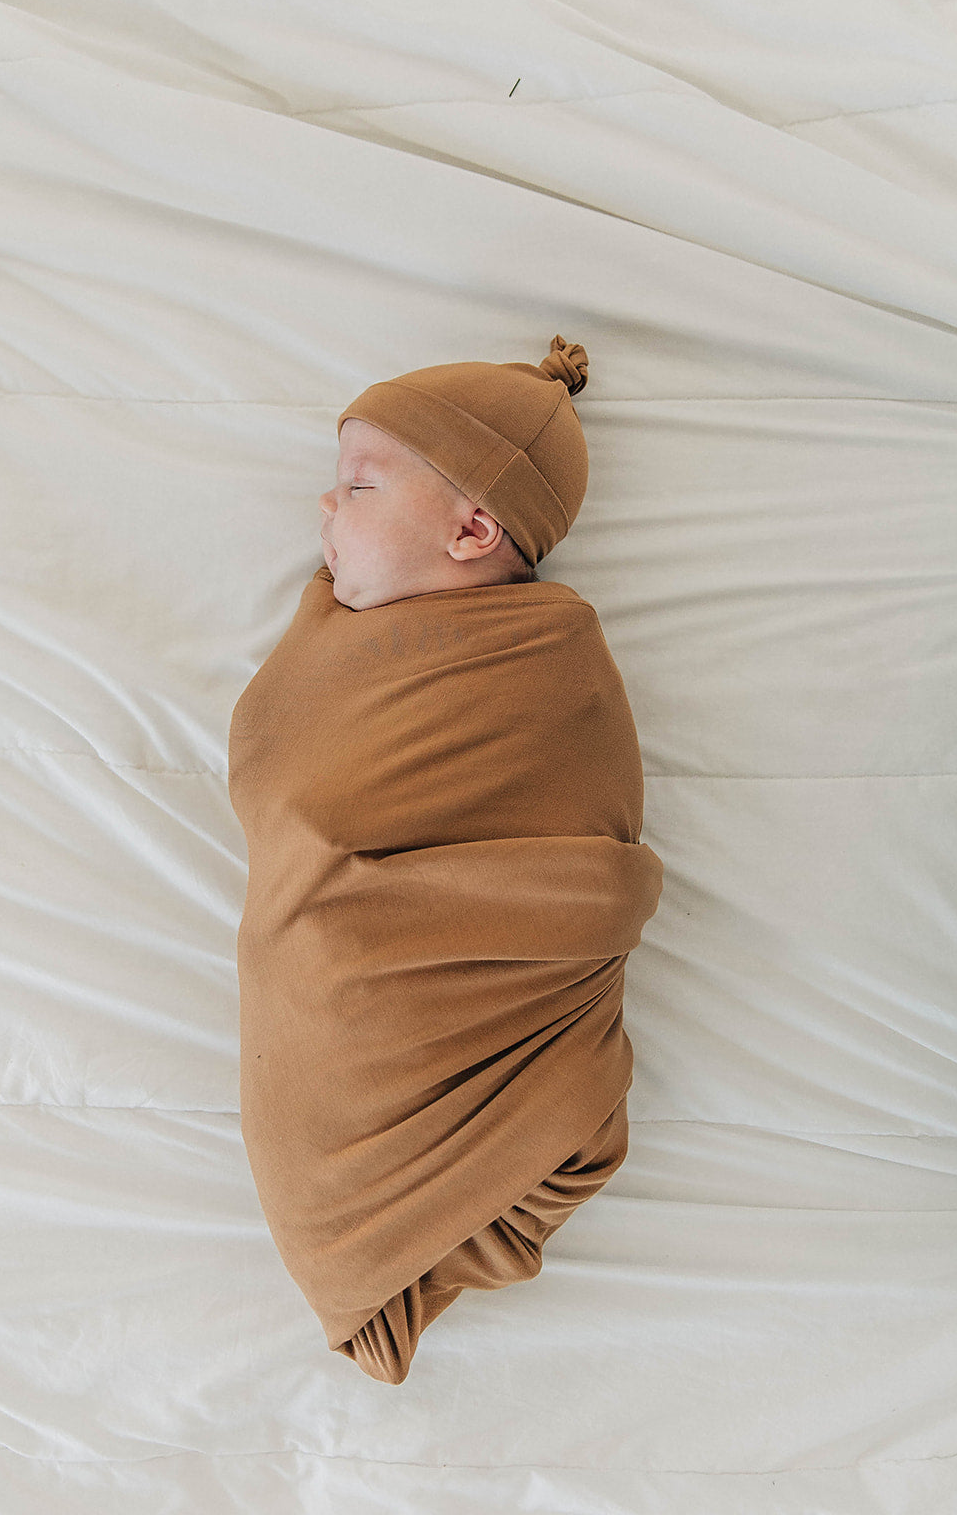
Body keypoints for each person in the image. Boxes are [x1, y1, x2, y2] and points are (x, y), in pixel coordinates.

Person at [228, 337, 663, 1383]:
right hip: (324, 986)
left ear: (472, 528)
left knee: (551, 1125)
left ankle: (420, 1213)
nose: (323, 509)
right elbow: (294, 794)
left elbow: (575, 861)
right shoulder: (336, 639)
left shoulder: (546, 669)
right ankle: (377, 1235)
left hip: (471, 1007)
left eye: (358, 485)